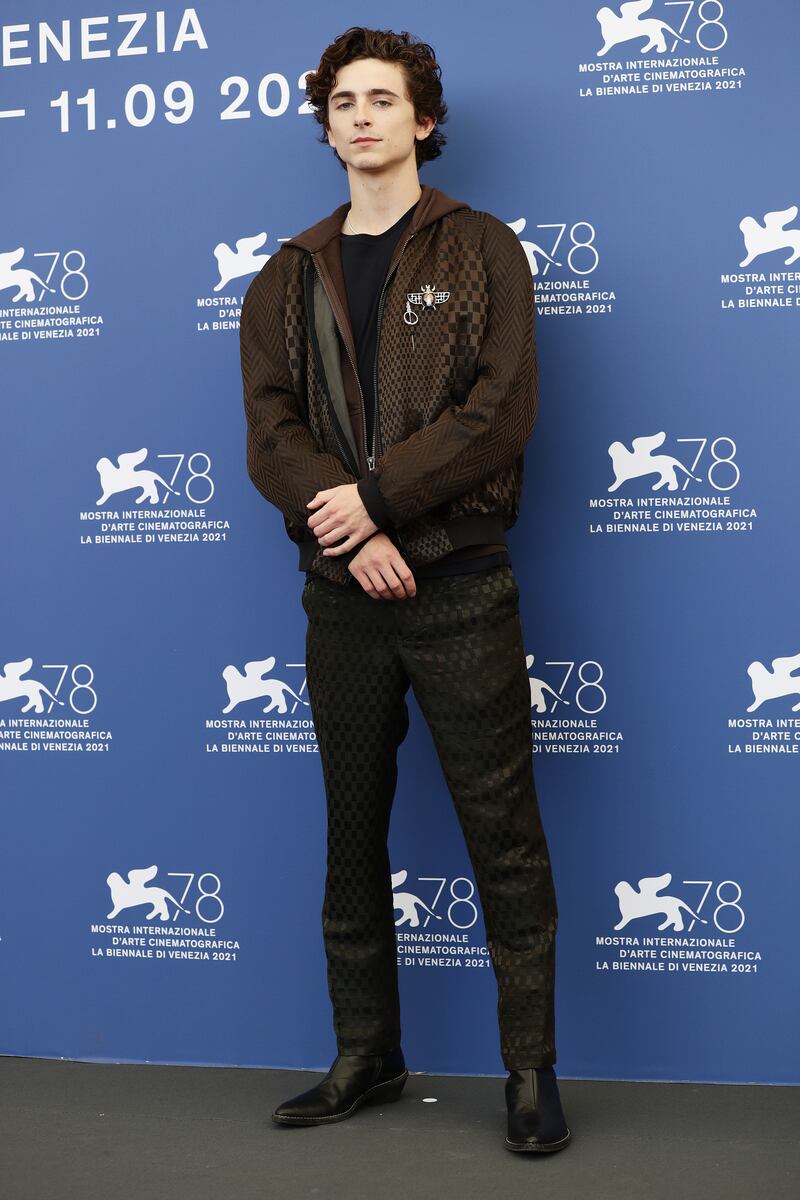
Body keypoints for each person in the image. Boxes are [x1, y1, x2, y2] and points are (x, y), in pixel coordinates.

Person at [239, 26, 571, 1154]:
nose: (364, 116)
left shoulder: (480, 248)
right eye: (344, 102)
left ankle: (528, 1072)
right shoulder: (286, 271)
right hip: (341, 597)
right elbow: (271, 430)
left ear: (422, 120)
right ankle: (364, 1055)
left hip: (461, 588)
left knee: (503, 836)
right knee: (348, 833)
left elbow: (498, 410)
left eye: (384, 99)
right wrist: (349, 534)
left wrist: (378, 504)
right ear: (325, 124)